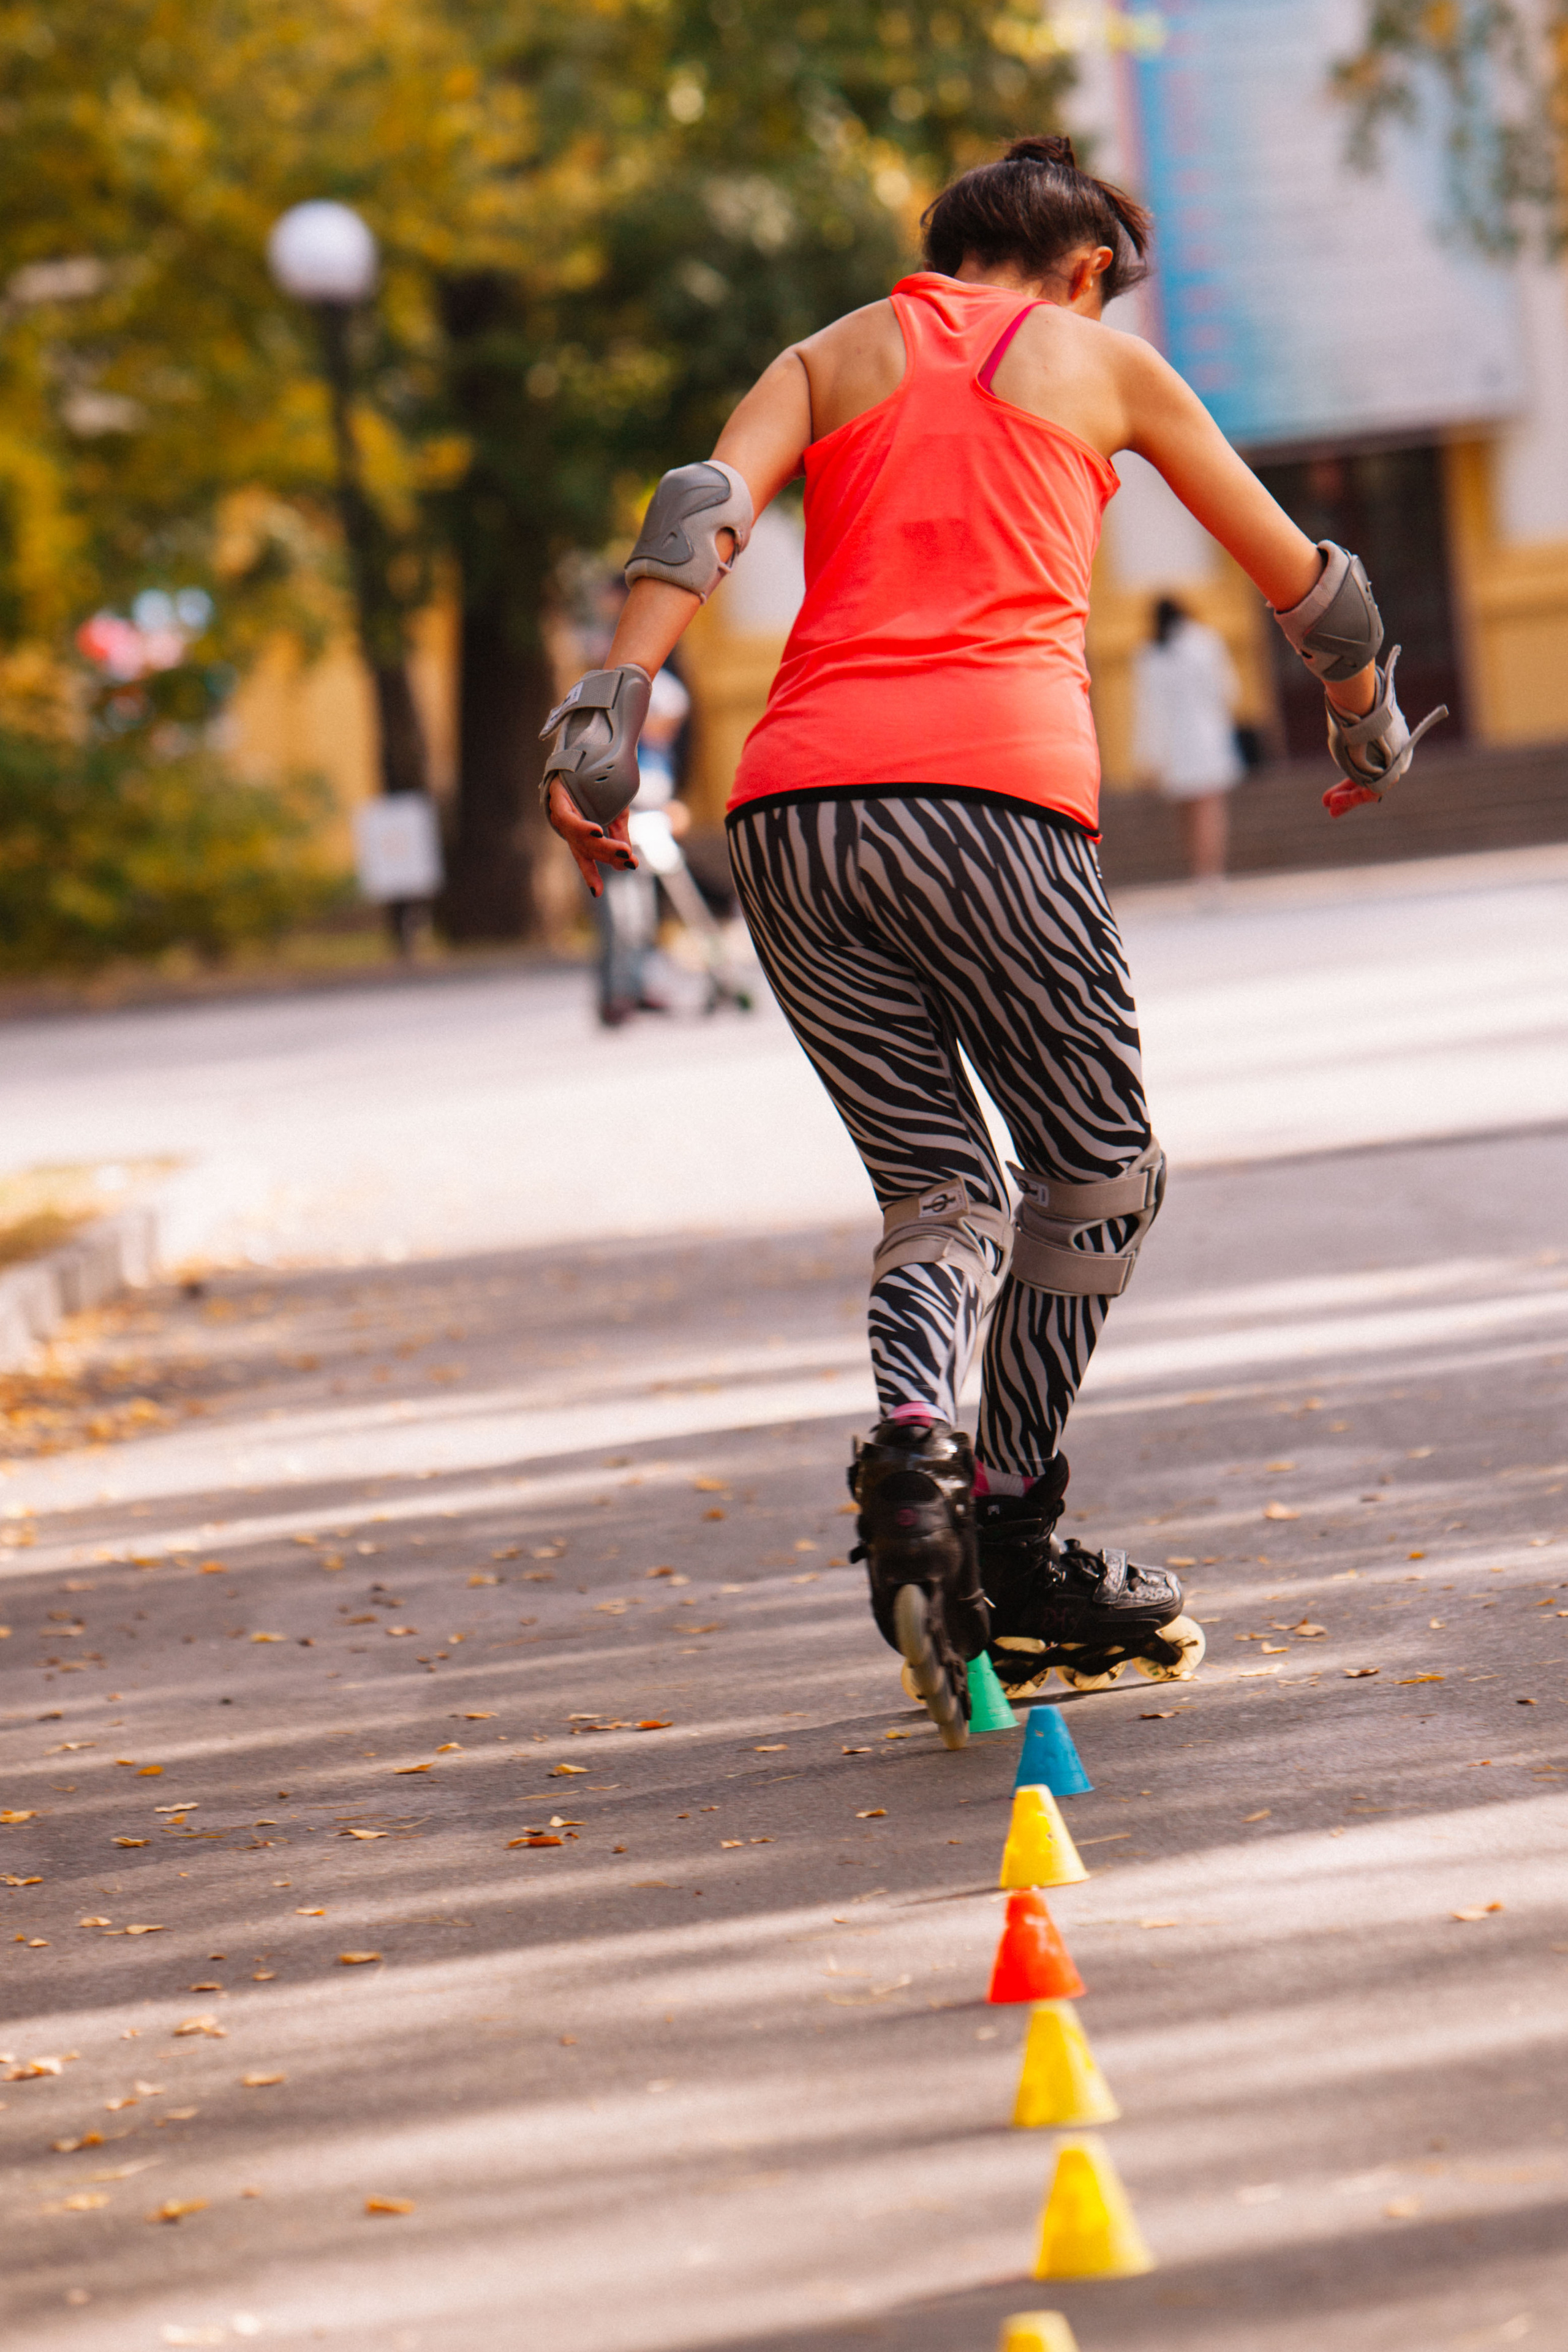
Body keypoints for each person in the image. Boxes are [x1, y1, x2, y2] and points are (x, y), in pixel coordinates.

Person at [539, 134, 1446, 1747]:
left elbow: (700, 513)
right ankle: (1015, 1531)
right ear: (1088, 268)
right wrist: (1368, 727)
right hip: (999, 806)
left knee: (938, 1190)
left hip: (797, 818)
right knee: (1100, 1173)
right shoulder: (1104, 365)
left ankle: (914, 1455)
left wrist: (605, 719)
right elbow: (1317, 588)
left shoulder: (828, 355)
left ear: (942, 248)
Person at [588, 665, 690, 1027]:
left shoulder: (658, 750)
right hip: (613, 838)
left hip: (644, 837)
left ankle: (639, 984)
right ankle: (615, 994)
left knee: (644, 914)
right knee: (620, 916)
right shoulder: (616, 748)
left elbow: (659, 789)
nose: (669, 730)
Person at [1133, 593, 1244, 893]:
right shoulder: (1205, 643)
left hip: (1174, 745)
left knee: (1188, 813)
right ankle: (1212, 874)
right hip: (1207, 737)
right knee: (1210, 810)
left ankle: (1199, 872)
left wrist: (1148, 756)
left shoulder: (1150, 653)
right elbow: (1227, 691)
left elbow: (1147, 709)